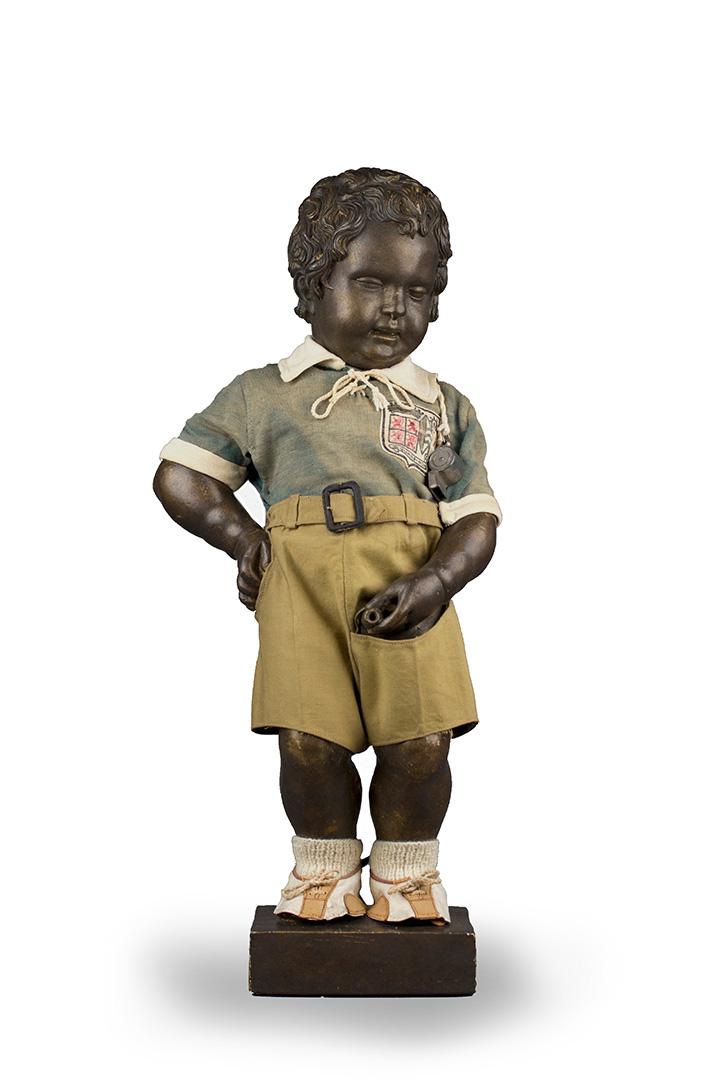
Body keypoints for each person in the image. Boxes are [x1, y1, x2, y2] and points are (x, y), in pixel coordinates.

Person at [153, 168, 501, 924]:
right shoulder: (263, 394)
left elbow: (476, 519)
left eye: (416, 291)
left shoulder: (443, 406)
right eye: (370, 283)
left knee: (421, 742)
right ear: (313, 286)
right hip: (300, 587)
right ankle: (323, 874)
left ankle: (408, 878)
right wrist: (243, 540)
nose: (393, 308)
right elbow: (182, 475)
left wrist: (438, 582)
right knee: (308, 740)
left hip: (411, 588)